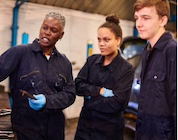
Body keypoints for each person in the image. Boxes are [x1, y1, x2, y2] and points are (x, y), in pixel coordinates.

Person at [0, 12, 76, 140]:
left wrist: (47, 101)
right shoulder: (20, 53)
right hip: (25, 129)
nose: (47, 33)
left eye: (53, 30)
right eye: (45, 27)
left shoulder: (64, 62)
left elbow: (69, 95)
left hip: (55, 130)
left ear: (61, 35)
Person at [74, 14, 134, 140]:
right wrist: (99, 91)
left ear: (118, 40)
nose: (101, 44)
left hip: (109, 131)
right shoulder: (92, 61)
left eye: (106, 40)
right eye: (99, 39)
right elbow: (77, 85)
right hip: (85, 128)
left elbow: (118, 103)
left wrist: (89, 98)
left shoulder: (126, 69)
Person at [133, 0, 177, 139]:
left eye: (145, 18)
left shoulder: (172, 51)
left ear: (162, 20)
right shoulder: (147, 52)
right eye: (137, 18)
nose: (139, 24)